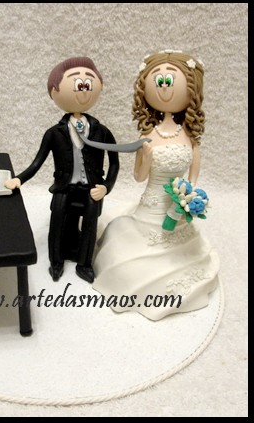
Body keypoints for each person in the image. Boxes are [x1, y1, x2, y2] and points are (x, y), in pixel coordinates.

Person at [92, 50, 220, 320]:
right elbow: (139, 177)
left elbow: (194, 173)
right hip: (150, 204)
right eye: (158, 81)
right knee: (130, 259)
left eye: (170, 81)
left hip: (177, 205)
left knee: (179, 252)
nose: (164, 88)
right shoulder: (148, 134)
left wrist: (187, 198)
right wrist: (147, 159)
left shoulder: (189, 136)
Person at [5, 57, 145, 283]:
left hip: (92, 188)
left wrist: (106, 187)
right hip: (64, 187)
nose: (83, 88)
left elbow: (114, 163)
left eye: (88, 83)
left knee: (90, 220)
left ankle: (84, 263)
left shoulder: (101, 131)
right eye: (76, 83)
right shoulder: (54, 133)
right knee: (57, 217)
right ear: (54, 91)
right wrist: (19, 179)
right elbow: (38, 161)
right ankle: (56, 261)